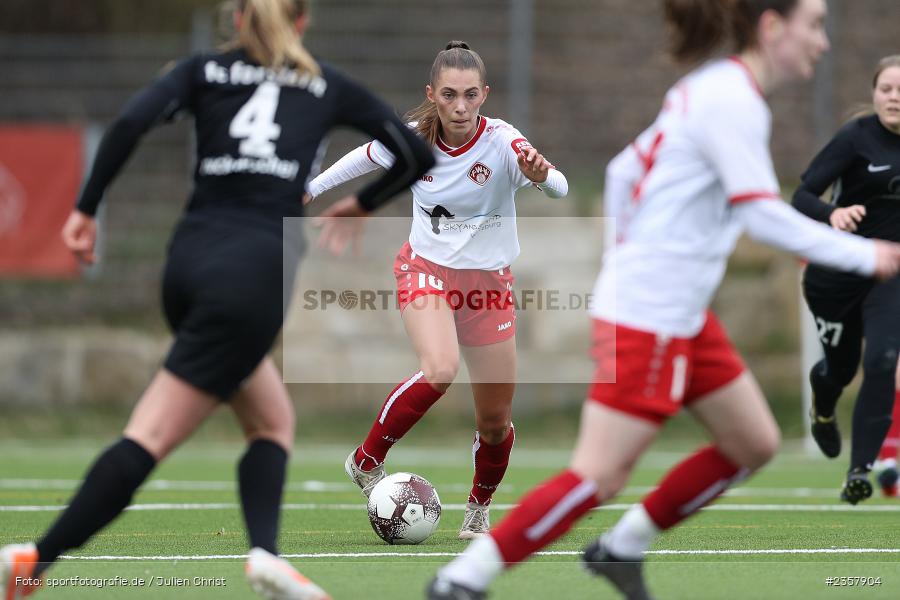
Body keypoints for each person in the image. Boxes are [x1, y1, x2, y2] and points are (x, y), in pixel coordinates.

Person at [427, 1, 900, 599]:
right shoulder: (732, 100)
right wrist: (871, 255)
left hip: (679, 312)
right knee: (599, 474)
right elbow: (760, 211)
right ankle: (462, 579)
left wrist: (624, 257)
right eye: (815, 25)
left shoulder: (711, 87)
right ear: (773, 27)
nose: (823, 43)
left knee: (753, 442)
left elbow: (625, 171)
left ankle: (622, 548)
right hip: (653, 314)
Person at [0, 1, 433, 598]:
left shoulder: (202, 70)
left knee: (272, 420)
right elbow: (417, 156)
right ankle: (35, 559)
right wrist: (361, 205)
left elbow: (129, 122)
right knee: (150, 436)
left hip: (186, 266)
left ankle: (266, 556)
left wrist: (84, 209)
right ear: (302, 22)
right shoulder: (325, 84)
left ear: (235, 20)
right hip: (253, 276)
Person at [306, 41, 568, 539]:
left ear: (485, 95)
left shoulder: (503, 142)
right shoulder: (414, 140)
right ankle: (365, 461)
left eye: (471, 95)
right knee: (441, 368)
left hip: (489, 288)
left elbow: (560, 185)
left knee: (495, 422)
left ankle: (477, 510)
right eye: (450, 95)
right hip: (425, 269)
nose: (461, 106)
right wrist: (312, 188)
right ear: (433, 94)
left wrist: (542, 177)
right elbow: (364, 156)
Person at [793, 55, 900, 502]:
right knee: (840, 369)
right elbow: (802, 196)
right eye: (887, 90)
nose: (894, 98)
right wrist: (833, 213)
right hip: (838, 274)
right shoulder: (856, 138)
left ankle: (860, 469)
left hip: (889, 274)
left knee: (881, 360)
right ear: (875, 94)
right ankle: (823, 406)